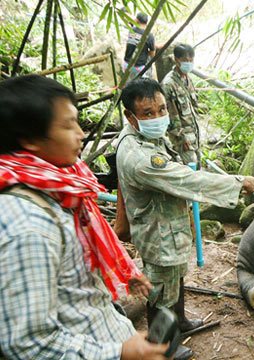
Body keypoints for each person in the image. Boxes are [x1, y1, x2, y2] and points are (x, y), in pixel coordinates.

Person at [0, 75, 171, 360]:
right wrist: (120, 352)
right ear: (29, 139)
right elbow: (29, 343)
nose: (81, 133)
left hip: (104, 326)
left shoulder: (63, 188)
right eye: (68, 125)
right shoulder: (29, 225)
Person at [117, 78, 254, 360]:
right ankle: (163, 349)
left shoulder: (141, 136)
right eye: (149, 113)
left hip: (168, 226)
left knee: (174, 279)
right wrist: (236, 183)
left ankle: (180, 322)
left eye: (162, 109)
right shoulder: (138, 156)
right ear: (130, 117)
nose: (159, 117)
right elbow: (185, 179)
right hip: (158, 233)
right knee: (161, 292)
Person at [161, 44, 200, 167]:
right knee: (189, 170)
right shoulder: (169, 84)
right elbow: (171, 116)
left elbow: (194, 107)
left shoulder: (188, 79)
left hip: (194, 135)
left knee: (196, 166)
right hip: (183, 139)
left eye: (191, 60)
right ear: (176, 59)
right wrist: (181, 138)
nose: (188, 63)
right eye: (185, 60)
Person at [123, 12, 156, 79]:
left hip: (126, 65)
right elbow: (153, 55)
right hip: (138, 68)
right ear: (146, 23)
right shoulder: (149, 36)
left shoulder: (131, 31)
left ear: (137, 20)